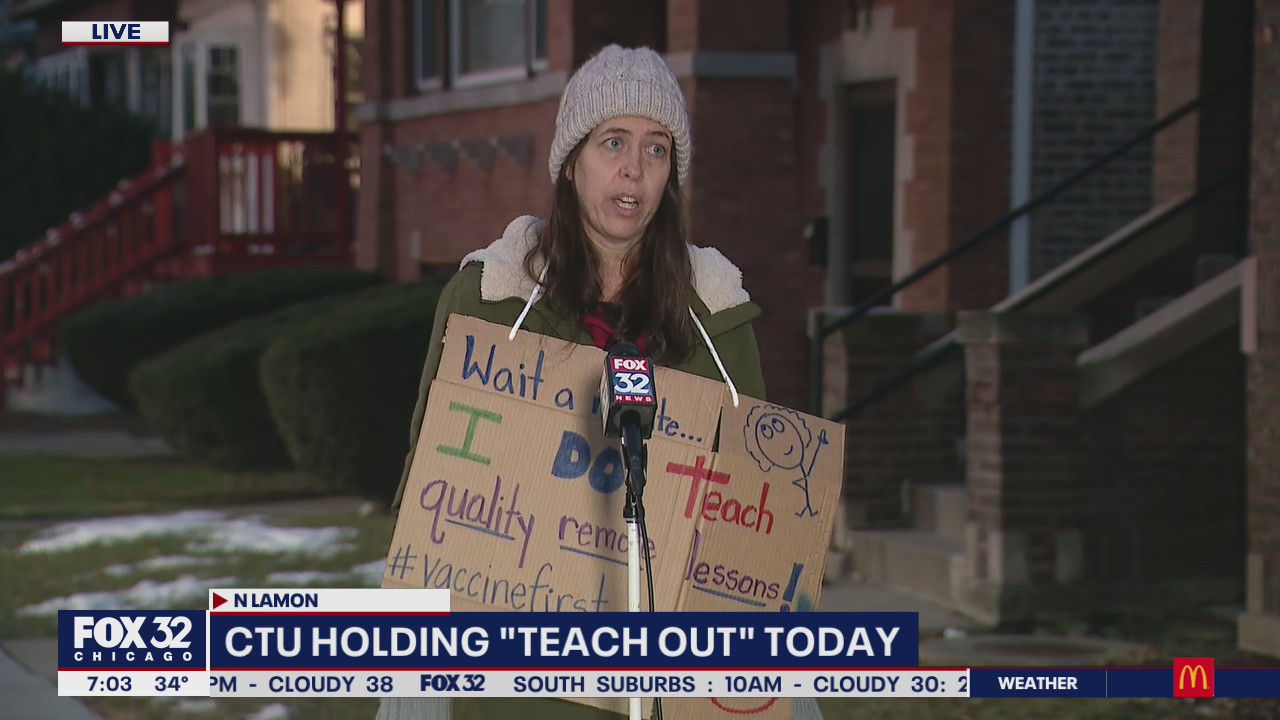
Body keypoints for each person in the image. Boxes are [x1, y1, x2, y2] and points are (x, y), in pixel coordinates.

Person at [377, 44, 822, 720]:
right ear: (572, 160)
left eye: (656, 149)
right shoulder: (491, 301)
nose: (633, 171)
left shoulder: (717, 319)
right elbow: (427, 492)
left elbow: (754, 517)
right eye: (613, 141)